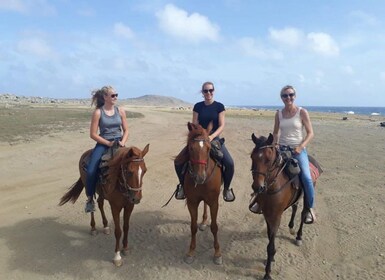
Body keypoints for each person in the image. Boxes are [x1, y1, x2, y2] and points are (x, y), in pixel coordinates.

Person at [174, 81, 235, 202]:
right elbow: (195, 123)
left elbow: (222, 125)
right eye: (206, 91)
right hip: (199, 139)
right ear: (202, 92)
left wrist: (211, 137)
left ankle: (227, 189)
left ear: (214, 91)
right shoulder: (198, 106)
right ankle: (182, 186)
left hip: (214, 139)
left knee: (230, 163)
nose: (208, 93)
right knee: (178, 162)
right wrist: (195, 133)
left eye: (210, 90)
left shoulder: (219, 106)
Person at [271, 85, 316, 223]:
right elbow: (276, 132)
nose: (288, 98)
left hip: (297, 150)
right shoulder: (278, 113)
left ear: (294, 96)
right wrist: (275, 145)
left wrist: (301, 146)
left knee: (307, 178)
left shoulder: (302, 112)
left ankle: (309, 208)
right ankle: (258, 200)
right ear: (282, 98)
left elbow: (310, 133)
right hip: (282, 149)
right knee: (266, 170)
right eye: (285, 95)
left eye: (290, 95)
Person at [85, 86, 129, 213]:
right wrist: (108, 143)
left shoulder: (120, 111)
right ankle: (90, 199)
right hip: (104, 143)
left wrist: (122, 142)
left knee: (133, 164)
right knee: (91, 169)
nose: (115, 97)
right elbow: (93, 134)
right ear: (105, 97)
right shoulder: (98, 112)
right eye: (113, 95)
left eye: (116, 95)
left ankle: (130, 192)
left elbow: (126, 130)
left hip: (119, 142)